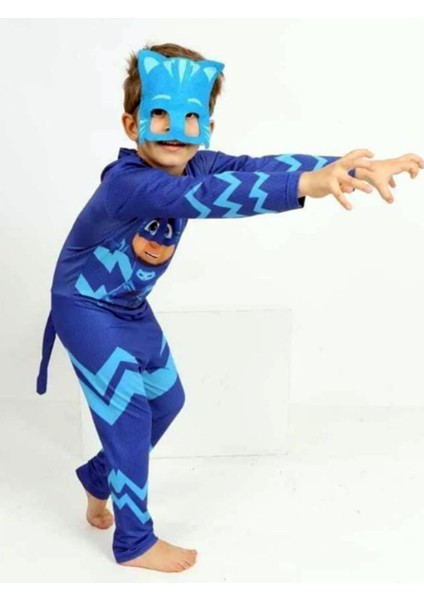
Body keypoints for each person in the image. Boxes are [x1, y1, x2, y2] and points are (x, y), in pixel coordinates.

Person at [35, 42, 423, 574]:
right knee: (129, 414)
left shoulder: (196, 165)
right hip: (83, 305)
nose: (176, 129)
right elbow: (210, 198)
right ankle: (134, 541)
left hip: (127, 304)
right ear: (131, 124)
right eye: (161, 115)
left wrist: (344, 168)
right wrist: (305, 186)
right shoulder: (128, 184)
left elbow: (253, 169)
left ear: (207, 128)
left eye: (191, 117)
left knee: (166, 402)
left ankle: (98, 476)